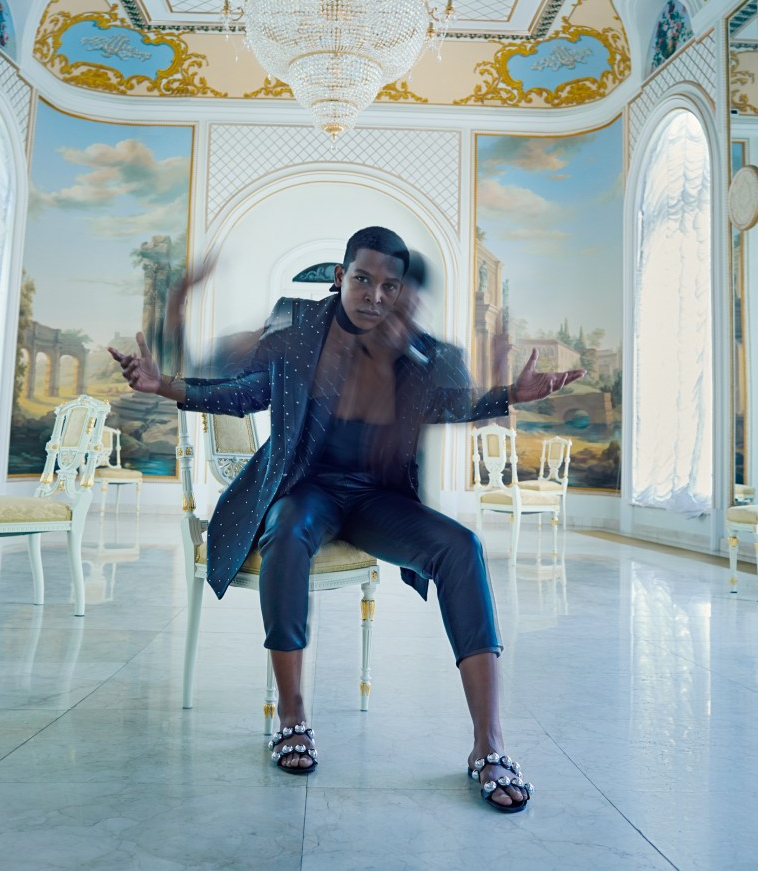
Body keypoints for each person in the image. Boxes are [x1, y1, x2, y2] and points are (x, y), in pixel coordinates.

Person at [109, 226, 584, 813]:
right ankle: (293, 717)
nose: (375, 296)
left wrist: (509, 394)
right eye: (363, 279)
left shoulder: (413, 349)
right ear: (341, 276)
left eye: (389, 287)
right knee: (286, 531)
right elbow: (248, 391)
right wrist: (165, 386)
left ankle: (489, 744)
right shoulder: (299, 328)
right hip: (306, 489)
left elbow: (444, 404)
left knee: (461, 546)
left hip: (375, 499)